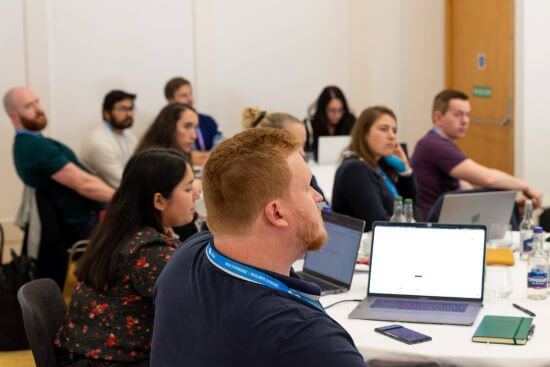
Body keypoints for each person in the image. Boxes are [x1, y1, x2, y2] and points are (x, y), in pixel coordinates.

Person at [151, 128, 367, 366]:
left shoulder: (187, 255)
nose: (319, 197)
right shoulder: (308, 339)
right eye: (307, 188)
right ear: (276, 213)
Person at [55, 148, 199, 366]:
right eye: (188, 189)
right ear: (159, 200)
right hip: (111, 361)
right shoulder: (150, 251)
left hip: (87, 356)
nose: (197, 195)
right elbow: (200, 306)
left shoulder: (120, 230)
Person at [3, 87, 114, 288]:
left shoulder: (35, 142)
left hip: (83, 224)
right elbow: (85, 184)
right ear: (13, 115)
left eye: (37, 101)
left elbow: (86, 179)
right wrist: (126, 198)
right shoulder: (33, 147)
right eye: (29, 106)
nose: (38, 108)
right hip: (80, 230)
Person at [410, 89, 542, 219]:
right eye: (458, 115)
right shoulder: (435, 145)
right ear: (438, 117)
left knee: (504, 201)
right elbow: (488, 178)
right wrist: (525, 186)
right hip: (433, 222)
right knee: (499, 190)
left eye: (468, 115)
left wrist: (504, 207)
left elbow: (467, 189)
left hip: (447, 214)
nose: (465, 121)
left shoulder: (438, 143)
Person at [331, 106, 417, 230]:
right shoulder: (354, 169)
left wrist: (405, 169)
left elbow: (411, 207)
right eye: (384, 129)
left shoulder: (378, 166)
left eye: (394, 130)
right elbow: (378, 223)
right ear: (364, 134)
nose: (392, 136)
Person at [135, 103, 200, 240]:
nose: (194, 135)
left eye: (195, 128)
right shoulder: (155, 162)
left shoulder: (177, 155)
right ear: (169, 128)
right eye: (187, 126)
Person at [80, 90, 138, 188]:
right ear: (106, 113)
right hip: (101, 199)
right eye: (122, 109)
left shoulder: (128, 135)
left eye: (131, 109)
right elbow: (122, 182)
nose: (129, 114)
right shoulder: (99, 142)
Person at [164, 77, 222, 166]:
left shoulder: (208, 120)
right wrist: (190, 157)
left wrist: (208, 157)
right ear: (171, 100)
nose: (190, 100)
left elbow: (222, 149)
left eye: (190, 94)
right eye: (184, 95)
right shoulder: (164, 125)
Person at [306, 85, 356, 160]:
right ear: (323, 109)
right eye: (332, 110)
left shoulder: (350, 121)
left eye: (340, 110)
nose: (337, 115)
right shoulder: (310, 125)